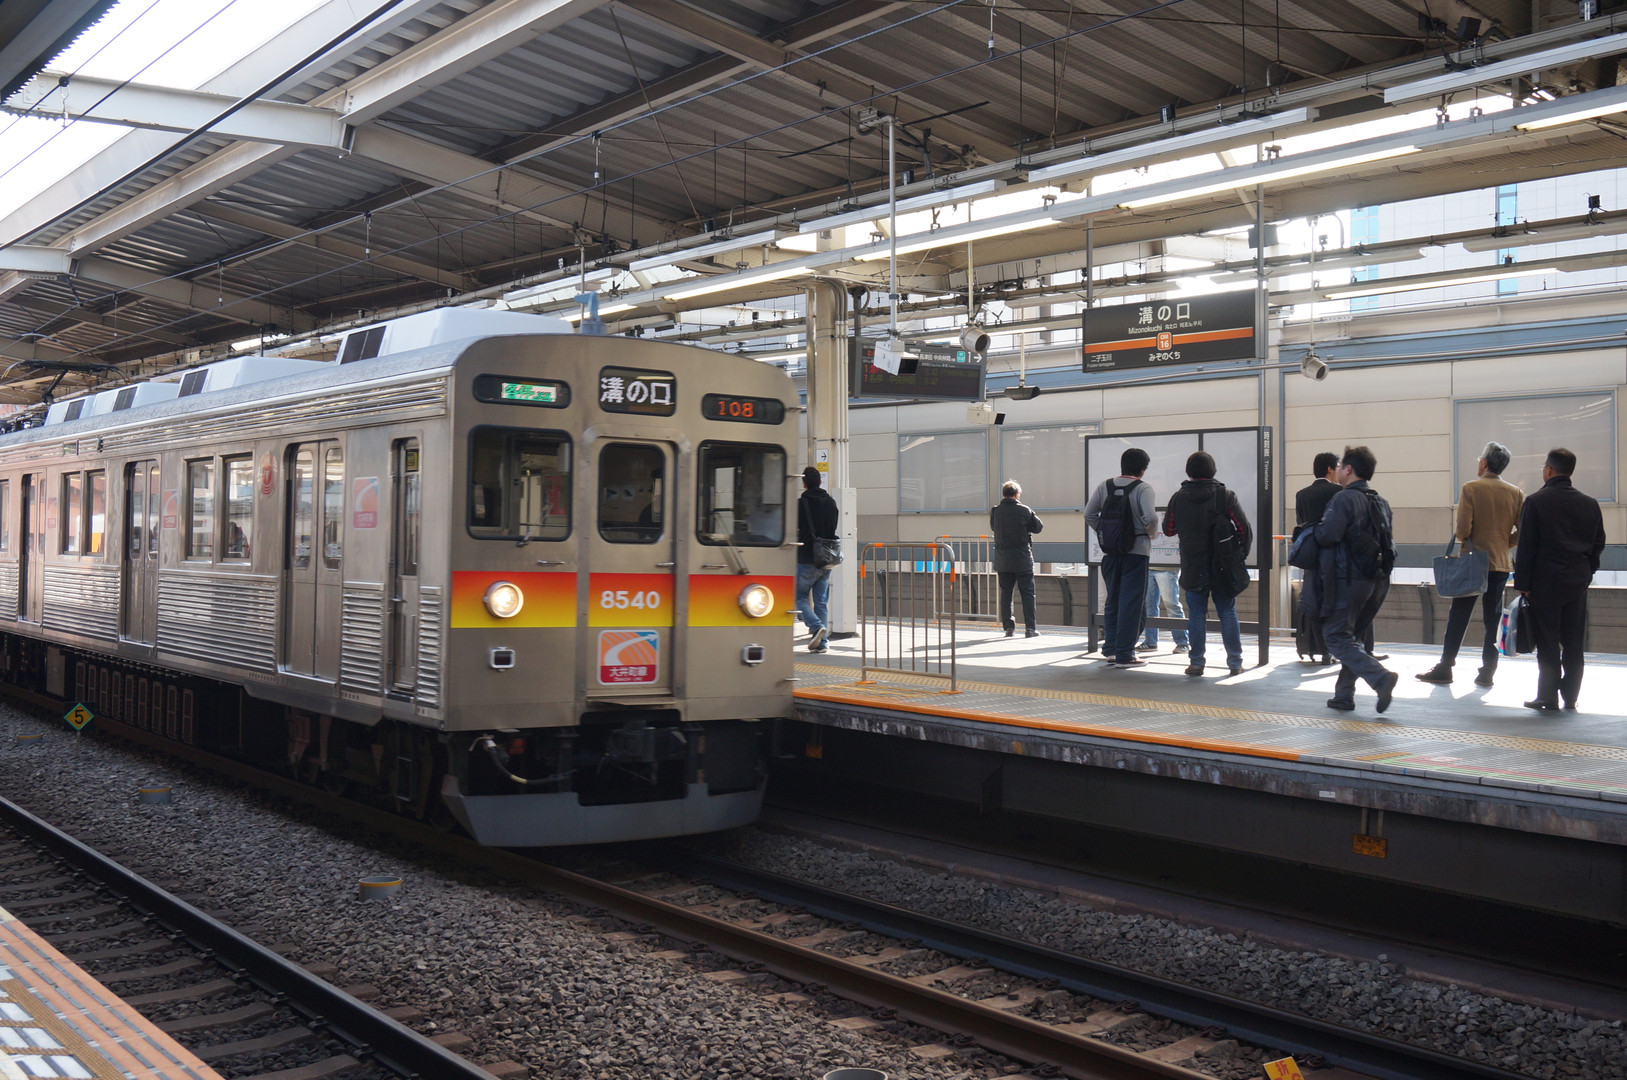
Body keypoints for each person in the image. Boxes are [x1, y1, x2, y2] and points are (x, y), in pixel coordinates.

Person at [1417, 441, 1524, 688]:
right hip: (1500, 563)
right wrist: (1503, 543)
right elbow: (1522, 531)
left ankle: (1446, 667)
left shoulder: (1471, 488)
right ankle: (1487, 672)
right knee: (1493, 619)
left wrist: (1475, 541)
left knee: (1459, 615)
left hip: (1472, 563)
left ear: (1484, 463)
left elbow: (1463, 531)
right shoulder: (1515, 493)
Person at [1308, 446, 1399, 713]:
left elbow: (1327, 535)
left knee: (1336, 636)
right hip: (1379, 580)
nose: (1338, 470)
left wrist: (1313, 530)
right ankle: (1344, 695)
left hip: (1350, 579)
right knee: (1353, 637)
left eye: (1341, 466)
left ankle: (1380, 677)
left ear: (1348, 469)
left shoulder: (1344, 499)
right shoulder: (1381, 501)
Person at [1512, 447, 1605, 711]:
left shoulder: (1536, 502)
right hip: (1577, 582)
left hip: (1545, 583)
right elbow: (1599, 542)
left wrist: (1523, 585)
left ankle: (1548, 696)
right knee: (1574, 641)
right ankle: (1571, 696)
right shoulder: (1589, 503)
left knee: (1548, 640)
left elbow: (1526, 546)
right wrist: (1587, 571)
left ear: (1549, 470)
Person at [1162, 452, 1251, 677]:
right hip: (1222, 565)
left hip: (1193, 564)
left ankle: (1196, 663)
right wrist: (1240, 555)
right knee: (1227, 612)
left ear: (1188, 471)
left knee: (1196, 614)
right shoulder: (1224, 495)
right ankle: (1235, 663)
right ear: (1212, 470)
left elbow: (1168, 529)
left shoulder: (1178, 498)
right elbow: (1243, 528)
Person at [1085, 447, 1158, 668]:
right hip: (1136, 553)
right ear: (1143, 469)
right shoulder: (1143, 488)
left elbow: (1089, 514)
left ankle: (1112, 650)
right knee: (1132, 603)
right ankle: (1125, 654)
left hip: (1111, 553)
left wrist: (1105, 532)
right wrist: (1150, 534)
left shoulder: (1105, 486)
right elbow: (1151, 518)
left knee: (1113, 601)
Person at [1292, 452, 1341, 664]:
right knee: (1336, 603)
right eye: (1338, 466)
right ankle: (1336, 649)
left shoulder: (1302, 495)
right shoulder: (1339, 492)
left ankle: (1321, 649)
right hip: (1336, 556)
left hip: (1311, 557)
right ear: (1330, 469)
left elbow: (1301, 524)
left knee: (1315, 601)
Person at [990, 479, 1044, 638]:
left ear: (1003, 494)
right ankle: (1030, 629)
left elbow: (993, 527)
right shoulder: (1024, 510)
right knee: (1028, 594)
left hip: (1003, 560)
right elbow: (1038, 527)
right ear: (1017, 494)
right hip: (1022, 559)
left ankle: (1009, 628)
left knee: (1006, 594)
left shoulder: (996, 511)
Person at [796, 466, 840, 653]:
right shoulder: (831, 502)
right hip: (827, 558)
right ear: (820, 482)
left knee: (798, 598)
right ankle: (823, 643)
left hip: (807, 557)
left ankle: (816, 626)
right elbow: (833, 527)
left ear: (804, 484)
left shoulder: (800, 504)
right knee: (821, 602)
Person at [1140, 567, 1189, 653]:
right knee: (1149, 607)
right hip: (1149, 568)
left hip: (1167, 568)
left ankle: (1183, 643)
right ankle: (1150, 642)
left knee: (1172, 605)